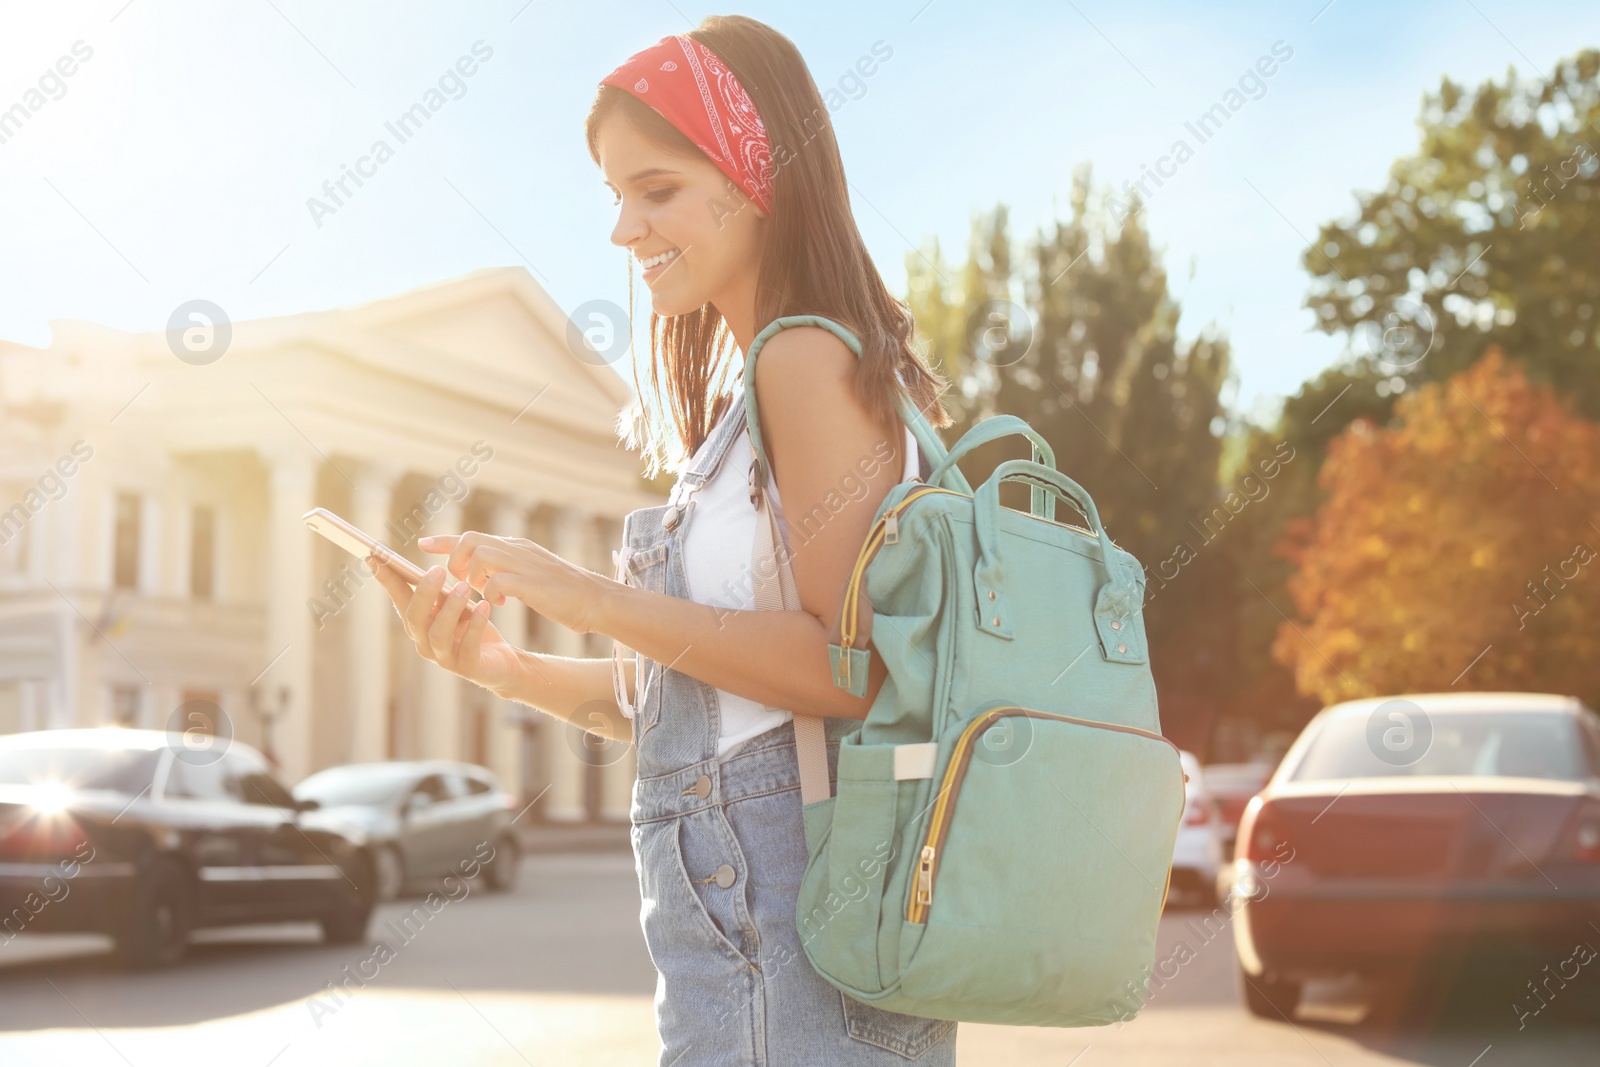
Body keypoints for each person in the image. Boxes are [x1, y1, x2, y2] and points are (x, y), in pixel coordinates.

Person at [367, 14, 959, 1064]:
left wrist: (585, 592)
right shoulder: (758, 396)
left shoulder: (802, 362)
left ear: (756, 173)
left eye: (658, 190)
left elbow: (850, 667)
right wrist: (500, 664)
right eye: (615, 197)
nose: (623, 230)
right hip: (751, 927)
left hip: (782, 928)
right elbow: (699, 703)